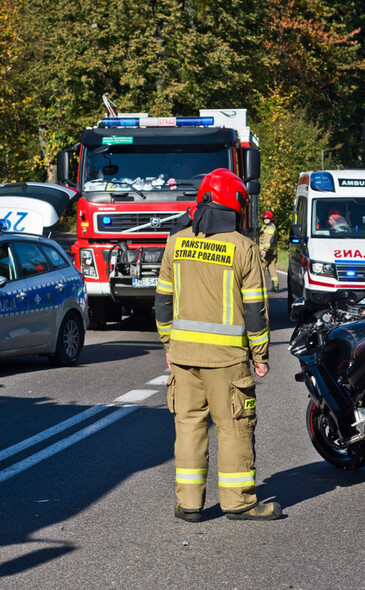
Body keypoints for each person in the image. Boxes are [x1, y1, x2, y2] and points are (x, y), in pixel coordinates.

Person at [155, 168, 281, 522]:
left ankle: (190, 504)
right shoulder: (244, 248)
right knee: (234, 428)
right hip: (227, 361)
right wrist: (261, 355)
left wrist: (168, 342)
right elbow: (256, 310)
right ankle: (239, 502)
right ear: (236, 207)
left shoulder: (176, 243)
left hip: (182, 356)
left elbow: (163, 301)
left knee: (189, 426)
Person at [258, 210, 279, 292]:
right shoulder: (268, 226)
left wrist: (264, 250)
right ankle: (275, 286)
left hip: (266, 253)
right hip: (273, 253)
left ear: (271, 219)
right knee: (272, 269)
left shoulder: (270, 228)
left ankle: (260, 286)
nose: (266, 220)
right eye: (264, 219)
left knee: (261, 269)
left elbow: (268, 239)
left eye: (267, 219)